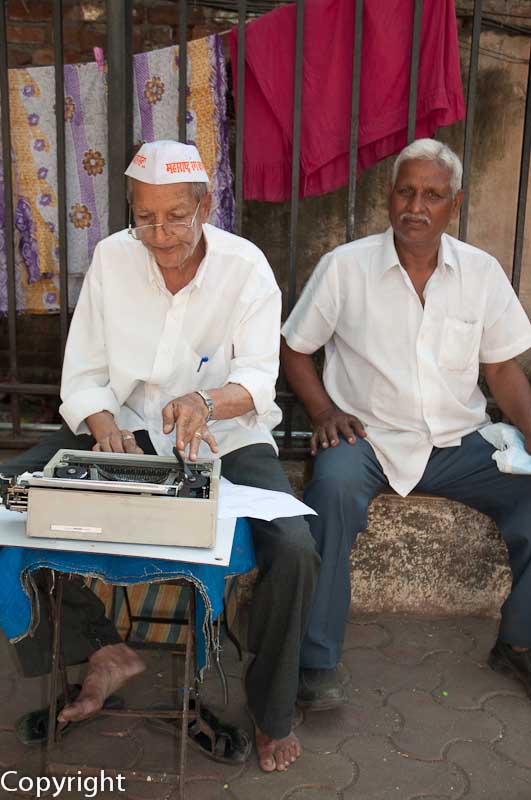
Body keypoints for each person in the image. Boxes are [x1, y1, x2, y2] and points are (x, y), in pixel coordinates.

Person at [3, 140, 319, 772]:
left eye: (175, 215)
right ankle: (99, 650)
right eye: (144, 216)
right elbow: (86, 371)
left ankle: (272, 709)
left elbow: (258, 377)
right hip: (123, 424)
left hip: (227, 436)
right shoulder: (112, 258)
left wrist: (205, 400)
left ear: (204, 206)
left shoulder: (246, 266)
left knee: (295, 546)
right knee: (12, 495)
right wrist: (100, 423)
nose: (159, 232)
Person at [281, 138, 531, 709]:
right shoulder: (344, 268)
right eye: (406, 191)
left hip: (457, 442)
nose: (416, 206)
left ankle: (518, 643)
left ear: (455, 205)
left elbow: (502, 368)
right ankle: (314, 662)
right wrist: (324, 411)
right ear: (388, 197)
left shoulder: (481, 273)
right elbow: (294, 350)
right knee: (333, 490)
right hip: (365, 438)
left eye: (433, 195)